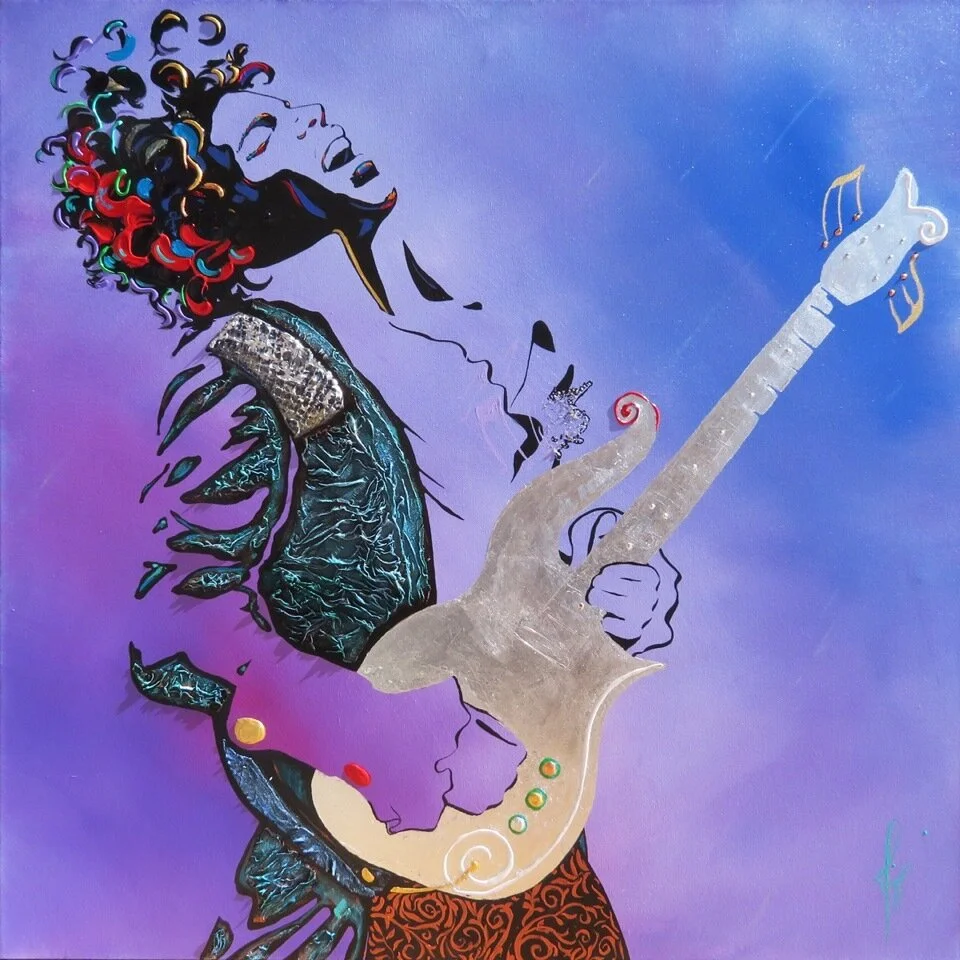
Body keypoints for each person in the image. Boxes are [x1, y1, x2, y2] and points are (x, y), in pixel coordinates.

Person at [43, 13, 679, 958]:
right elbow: (185, 621)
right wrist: (410, 750)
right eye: (265, 134)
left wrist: (598, 600)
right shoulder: (243, 364)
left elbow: (494, 571)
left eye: (286, 105)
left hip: (508, 830)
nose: (312, 122)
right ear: (215, 216)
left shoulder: (419, 322)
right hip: (399, 866)